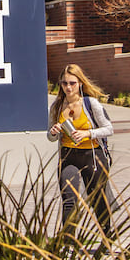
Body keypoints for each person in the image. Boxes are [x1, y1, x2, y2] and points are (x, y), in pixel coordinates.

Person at [47, 63, 114, 233]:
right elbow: (50, 136)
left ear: (80, 84)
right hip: (68, 155)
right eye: (64, 83)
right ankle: (68, 242)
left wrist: (87, 134)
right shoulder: (57, 107)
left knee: (98, 198)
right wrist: (54, 132)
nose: (68, 87)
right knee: (69, 198)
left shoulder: (90, 104)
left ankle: (107, 237)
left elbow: (109, 129)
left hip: (92, 155)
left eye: (72, 83)